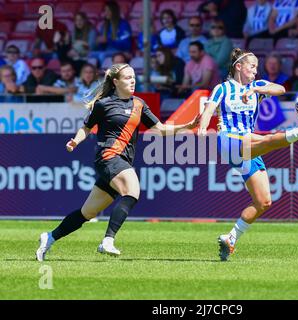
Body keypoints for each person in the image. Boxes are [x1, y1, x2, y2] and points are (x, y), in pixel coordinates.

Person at [35, 63, 200, 261]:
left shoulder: (139, 104)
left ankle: (50, 237)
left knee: (87, 213)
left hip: (122, 160)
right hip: (108, 156)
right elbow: (86, 128)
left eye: (133, 77)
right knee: (132, 191)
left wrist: (189, 126)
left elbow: (161, 129)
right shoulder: (103, 104)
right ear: (115, 82)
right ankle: (108, 241)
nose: (133, 81)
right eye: (128, 77)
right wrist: (75, 141)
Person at [198, 48, 298, 261]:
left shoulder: (257, 86)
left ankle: (230, 238)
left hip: (249, 144)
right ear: (238, 67)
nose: (255, 70)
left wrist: (255, 90)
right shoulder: (222, 88)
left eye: (256, 68)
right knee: (267, 140)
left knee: (264, 202)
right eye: (252, 66)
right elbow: (207, 111)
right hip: (229, 140)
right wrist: (202, 130)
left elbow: (279, 88)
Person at [92, 0, 132, 65]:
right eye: (105, 11)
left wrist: (108, 40)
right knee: (90, 55)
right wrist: (99, 43)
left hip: (120, 51)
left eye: (108, 11)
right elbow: (102, 48)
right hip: (107, 51)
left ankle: (105, 73)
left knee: (102, 55)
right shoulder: (104, 25)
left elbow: (126, 45)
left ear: (114, 11)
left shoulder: (123, 25)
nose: (106, 13)